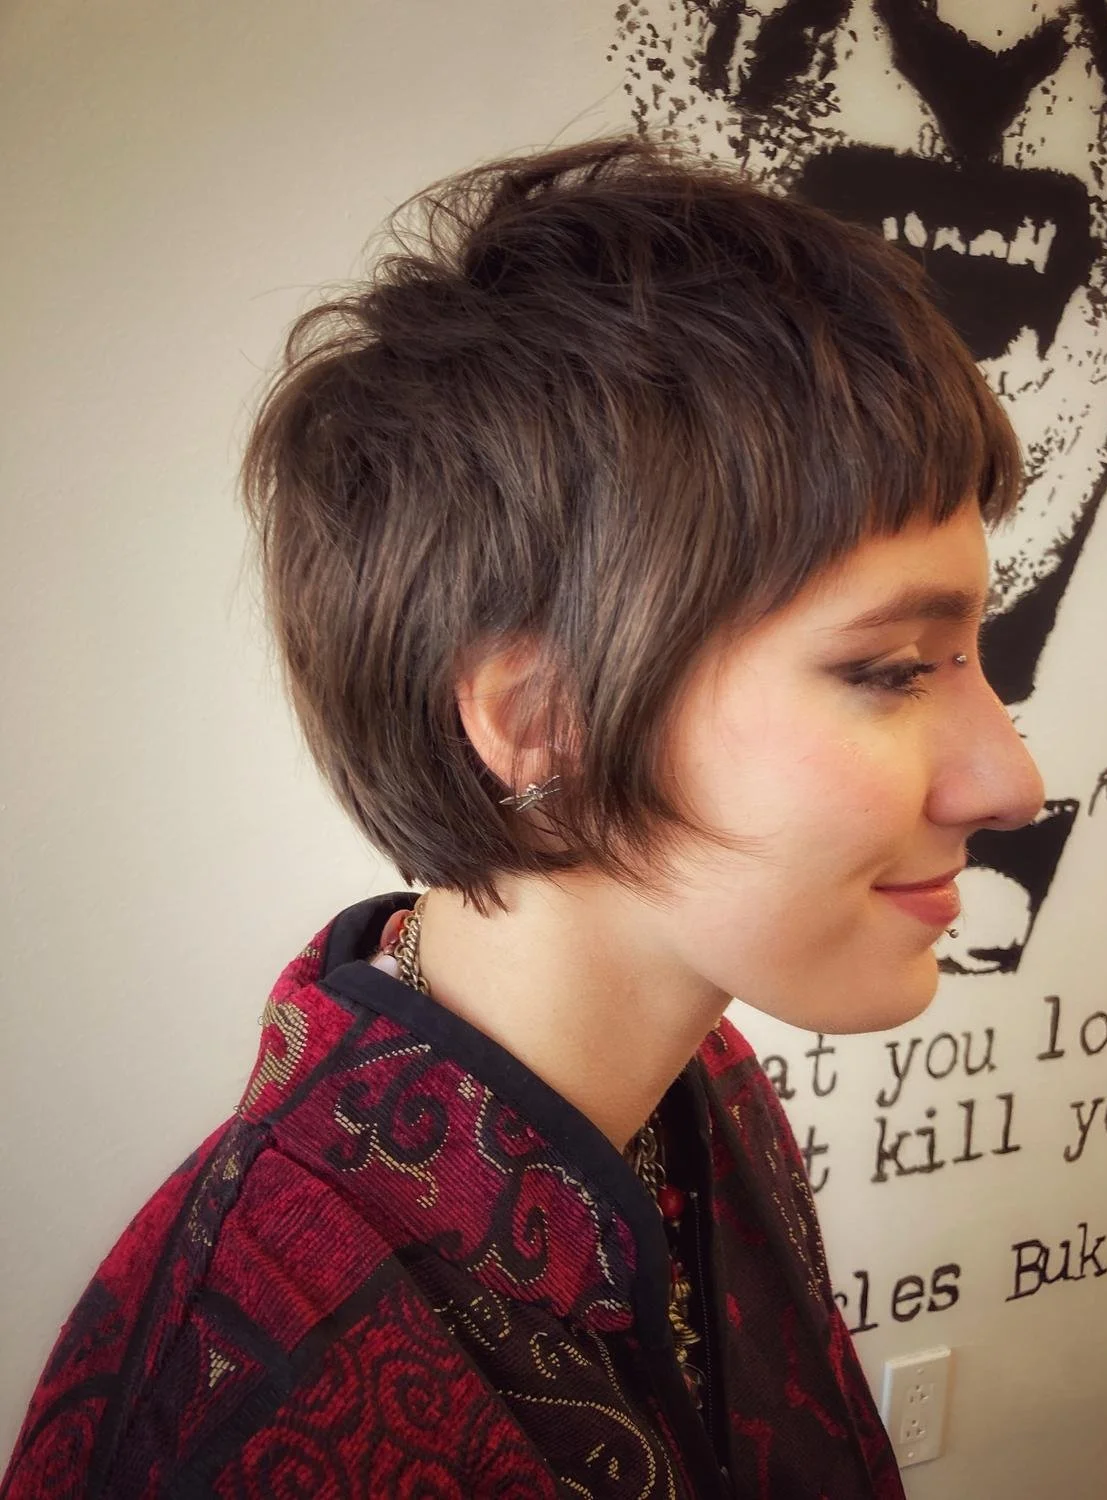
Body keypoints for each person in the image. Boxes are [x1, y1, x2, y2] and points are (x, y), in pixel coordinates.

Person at [1, 134, 1044, 1498]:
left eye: (975, 659)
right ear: (543, 720)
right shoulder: (250, 1402)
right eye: (890, 668)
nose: (1010, 782)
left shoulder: (698, 1082)